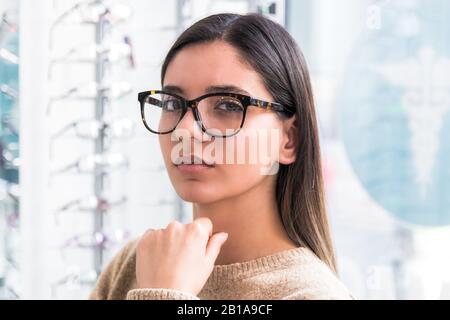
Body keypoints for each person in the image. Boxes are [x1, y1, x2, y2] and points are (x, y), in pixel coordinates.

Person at [89, 12, 355, 300]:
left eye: (228, 105)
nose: (186, 130)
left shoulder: (311, 295)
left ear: (289, 140)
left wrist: (164, 293)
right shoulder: (138, 262)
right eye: (171, 103)